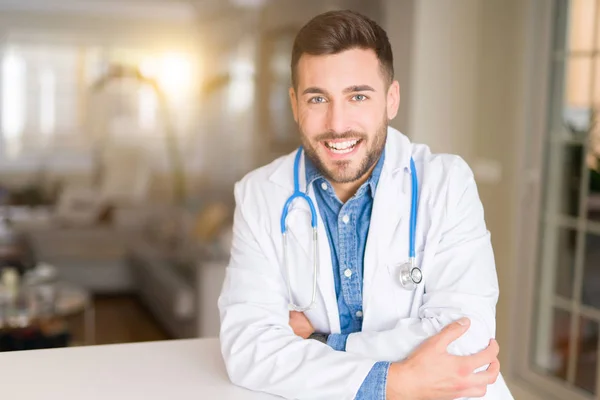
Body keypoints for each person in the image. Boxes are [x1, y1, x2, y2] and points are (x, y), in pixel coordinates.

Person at [218, 9, 513, 400]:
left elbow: (465, 339)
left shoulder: (446, 184)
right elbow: (248, 349)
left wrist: (325, 342)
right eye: (317, 98)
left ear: (391, 99)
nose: (338, 122)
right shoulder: (260, 194)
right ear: (294, 105)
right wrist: (394, 382)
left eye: (358, 96)